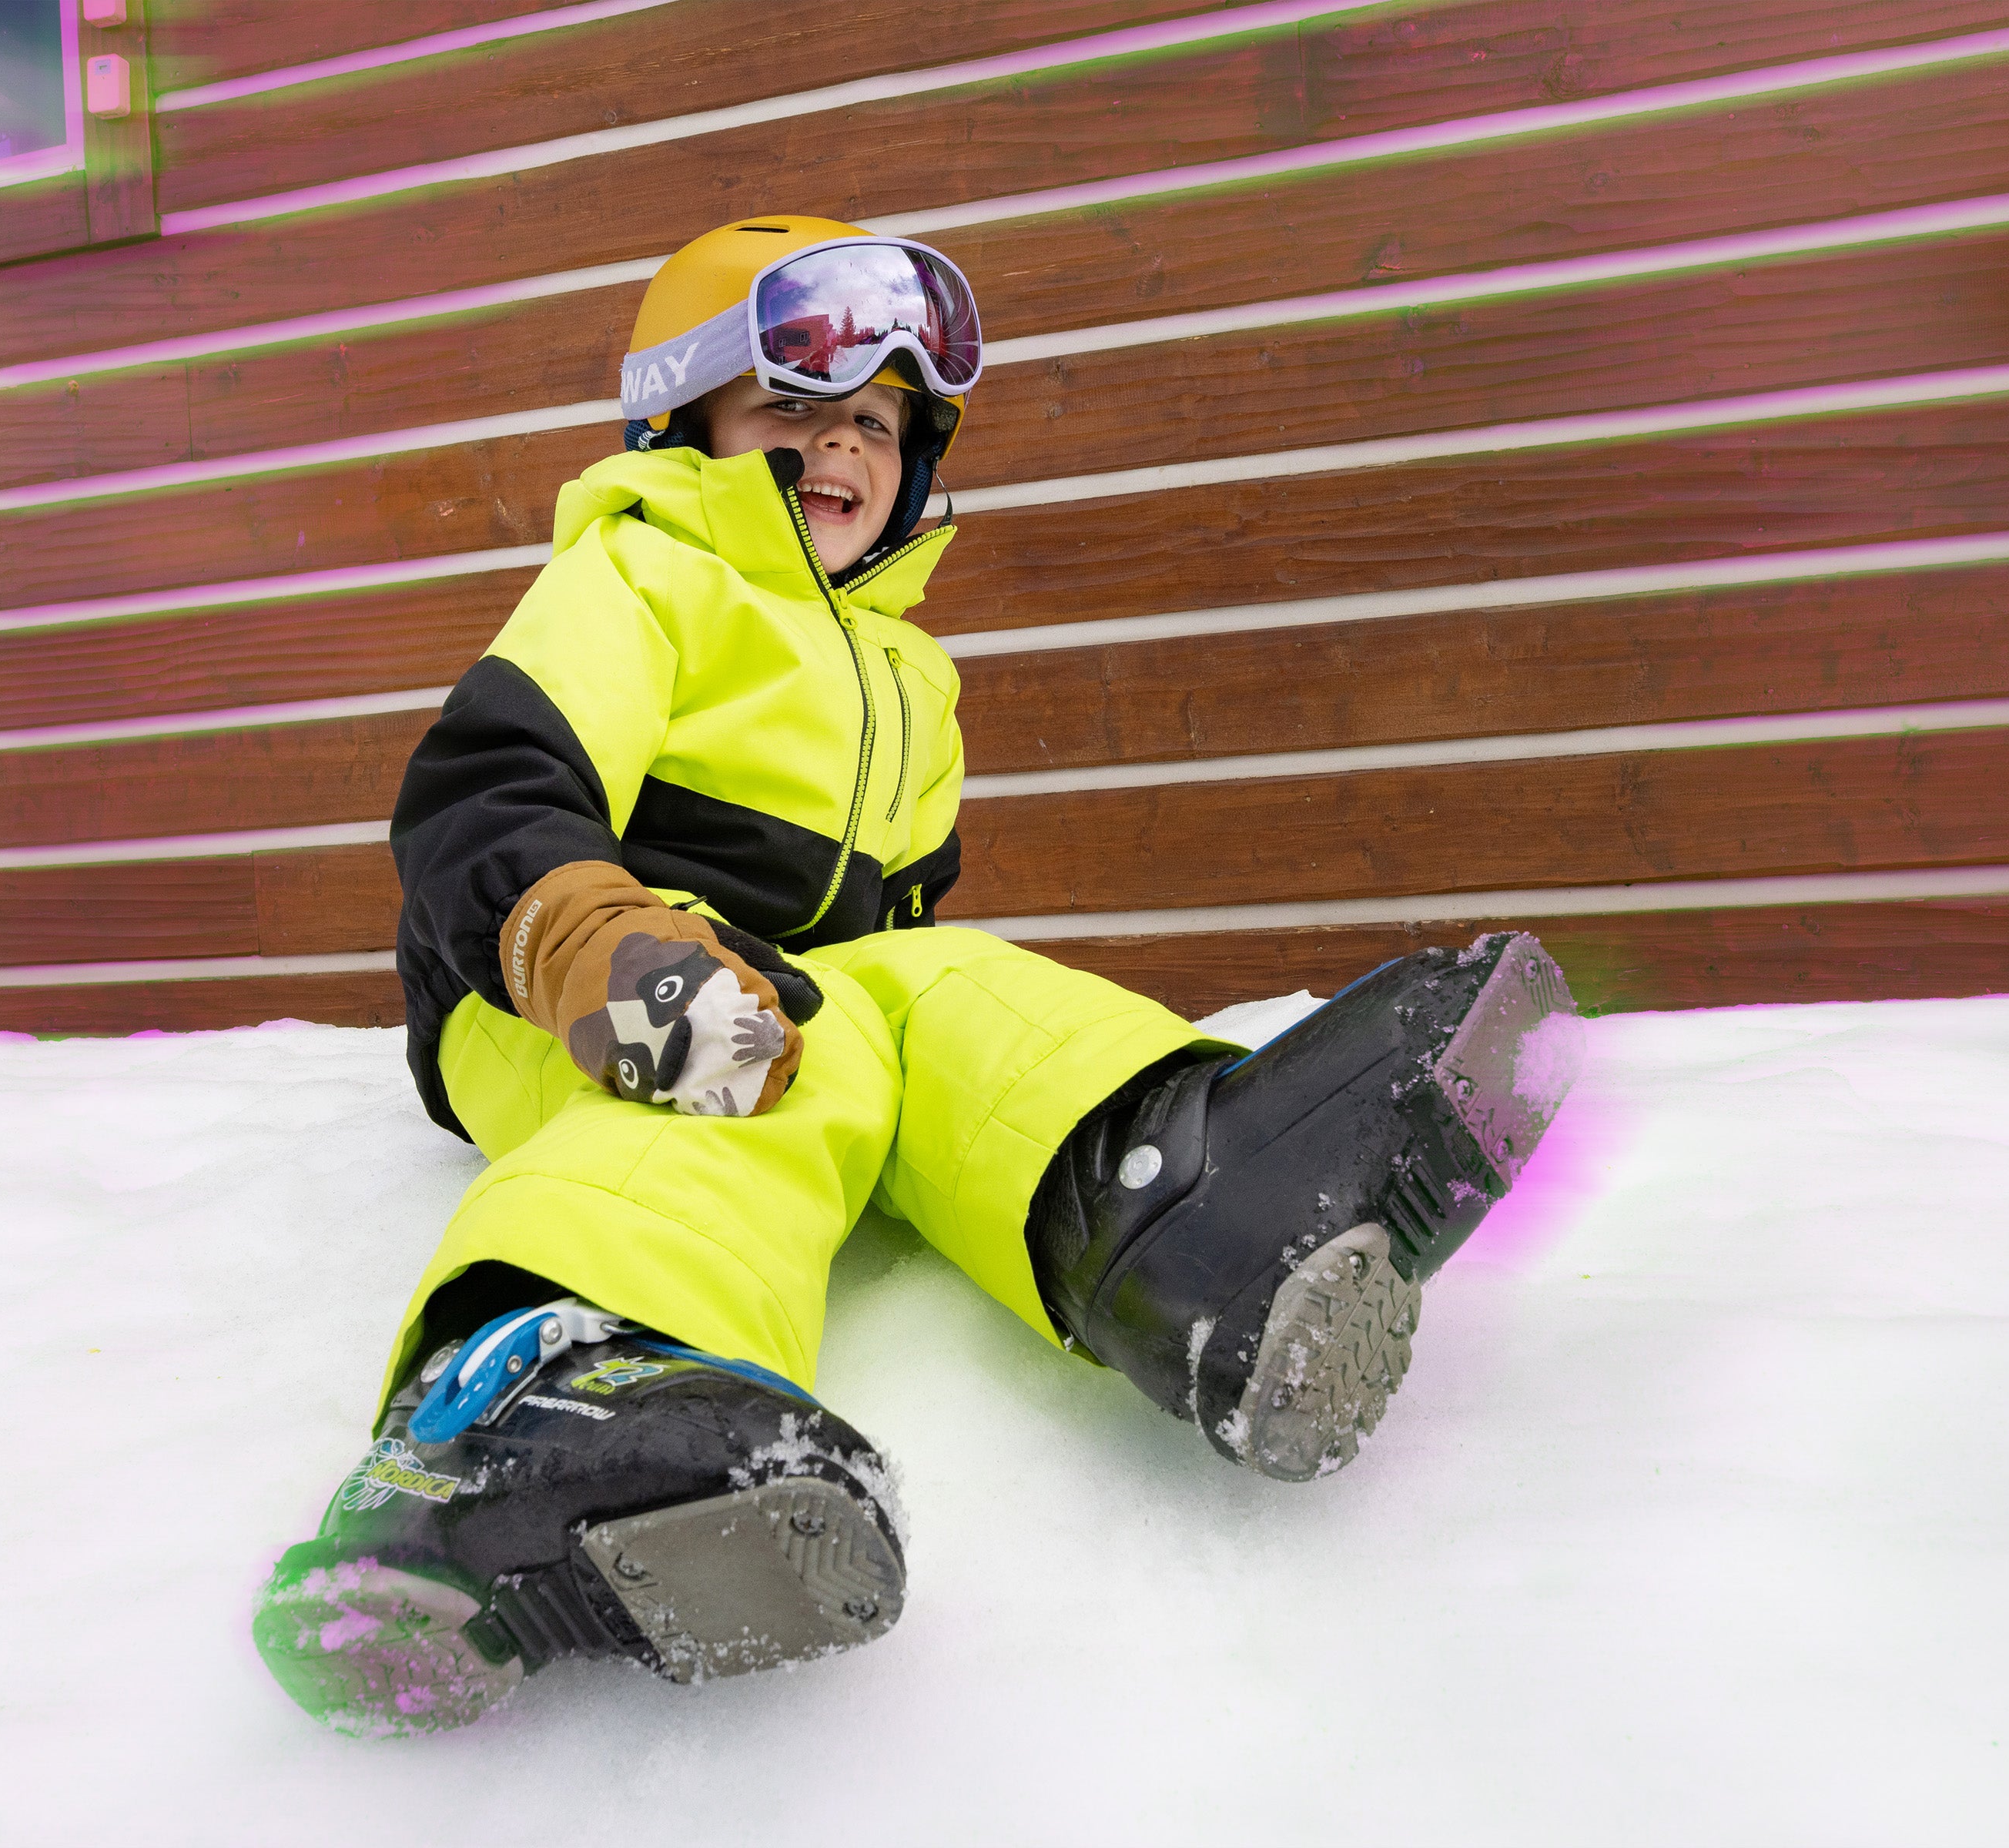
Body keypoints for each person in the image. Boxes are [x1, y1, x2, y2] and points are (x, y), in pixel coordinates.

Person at [248, 216, 1577, 1736]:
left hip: (798, 995)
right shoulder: (647, 571)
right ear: (688, 425)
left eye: (877, 422)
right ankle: (512, 1403)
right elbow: (483, 787)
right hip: (572, 985)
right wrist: (583, 942)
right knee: (755, 1046)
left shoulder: (907, 671)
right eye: (793, 409)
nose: (840, 448)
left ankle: (1185, 1212)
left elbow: (906, 927)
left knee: (931, 987)